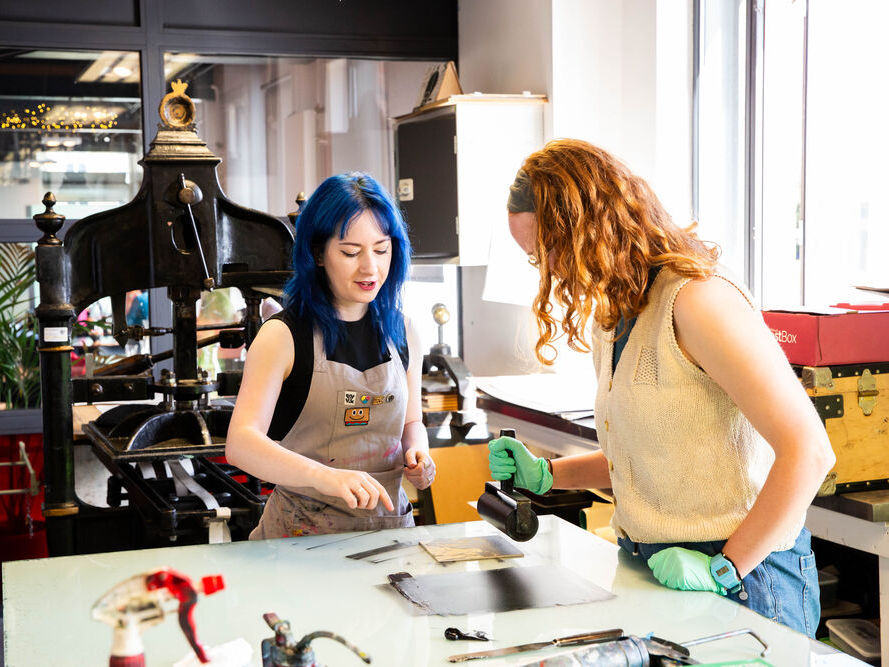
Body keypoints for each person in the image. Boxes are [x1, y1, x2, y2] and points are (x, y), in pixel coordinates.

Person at [489, 139, 834, 636]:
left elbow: (810, 452)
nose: (549, 272)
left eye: (549, 252)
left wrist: (726, 567)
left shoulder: (698, 300)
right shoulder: (615, 315)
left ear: (591, 228)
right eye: (535, 260)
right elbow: (643, 461)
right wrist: (545, 475)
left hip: (745, 579)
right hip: (656, 571)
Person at [226, 171, 435, 539]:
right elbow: (241, 444)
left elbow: (410, 423)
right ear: (318, 254)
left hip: (388, 535)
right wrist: (325, 477)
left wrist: (418, 454)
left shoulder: (405, 332)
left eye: (382, 249)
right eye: (351, 252)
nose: (370, 267)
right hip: (300, 541)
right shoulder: (283, 336)